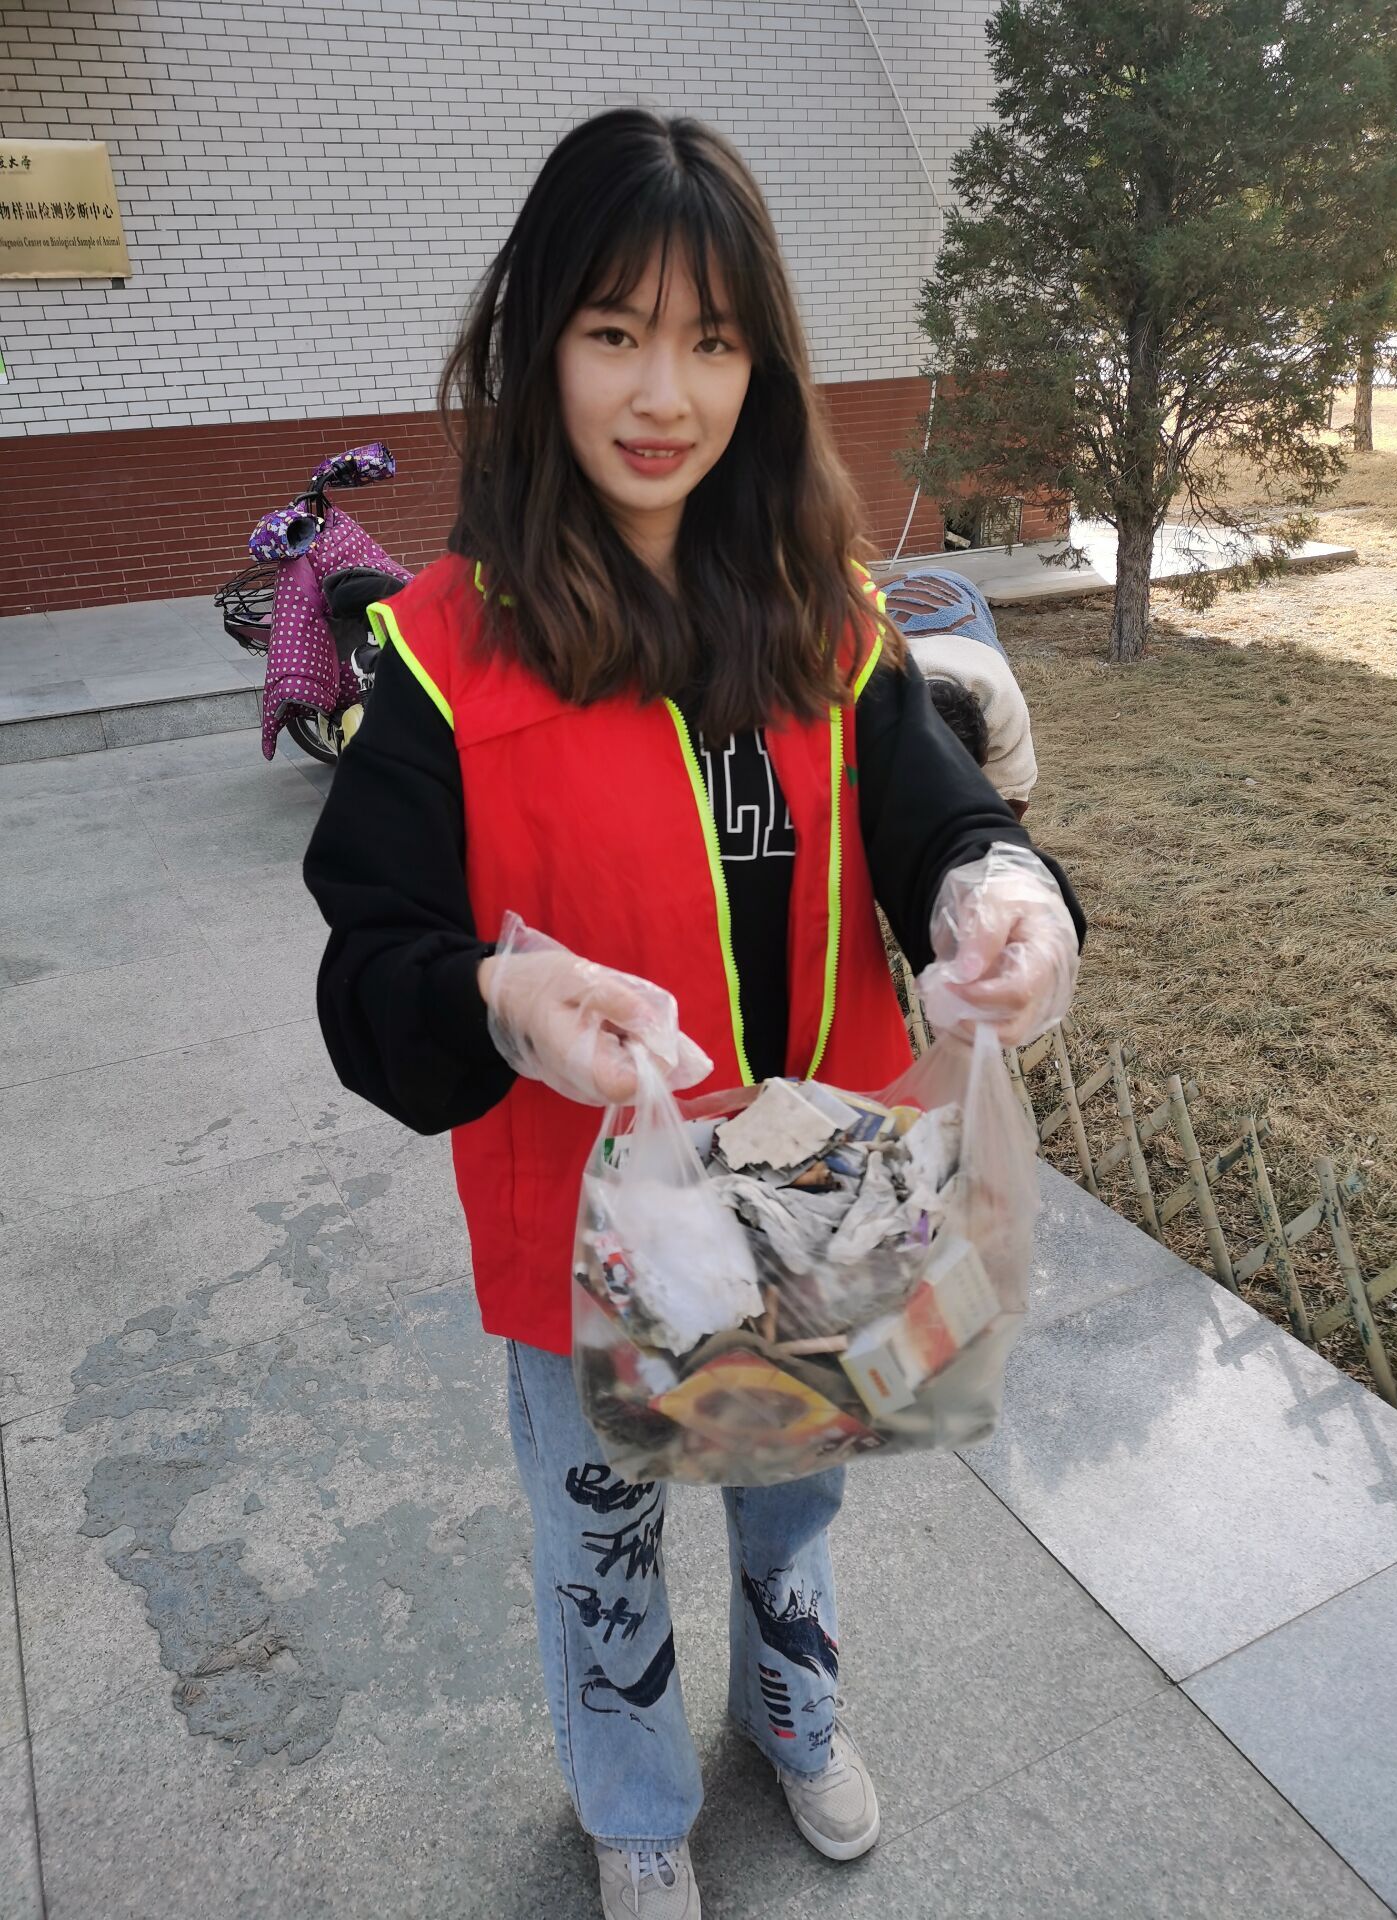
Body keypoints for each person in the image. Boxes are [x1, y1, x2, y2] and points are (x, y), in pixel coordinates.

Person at [303, 109, 1084, 1920]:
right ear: (540, 347)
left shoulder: (823, 615)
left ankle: (793, 1711)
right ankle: (634, 1797)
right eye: (615, 333)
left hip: (815, 1196)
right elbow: (369, 964)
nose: (664, 395)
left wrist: (1001, 898)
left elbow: (937, 818)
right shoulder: (442, 652)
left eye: (712, 342)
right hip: (587, 1220)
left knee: (793, 1492)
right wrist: (498, 996)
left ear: (763, 365)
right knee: (604, 1534)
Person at [882, 567, 1038, 818]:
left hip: (956, 589)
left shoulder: (1001, 697)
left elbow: (1011, 787)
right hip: (889, 594)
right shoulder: (860, 692)